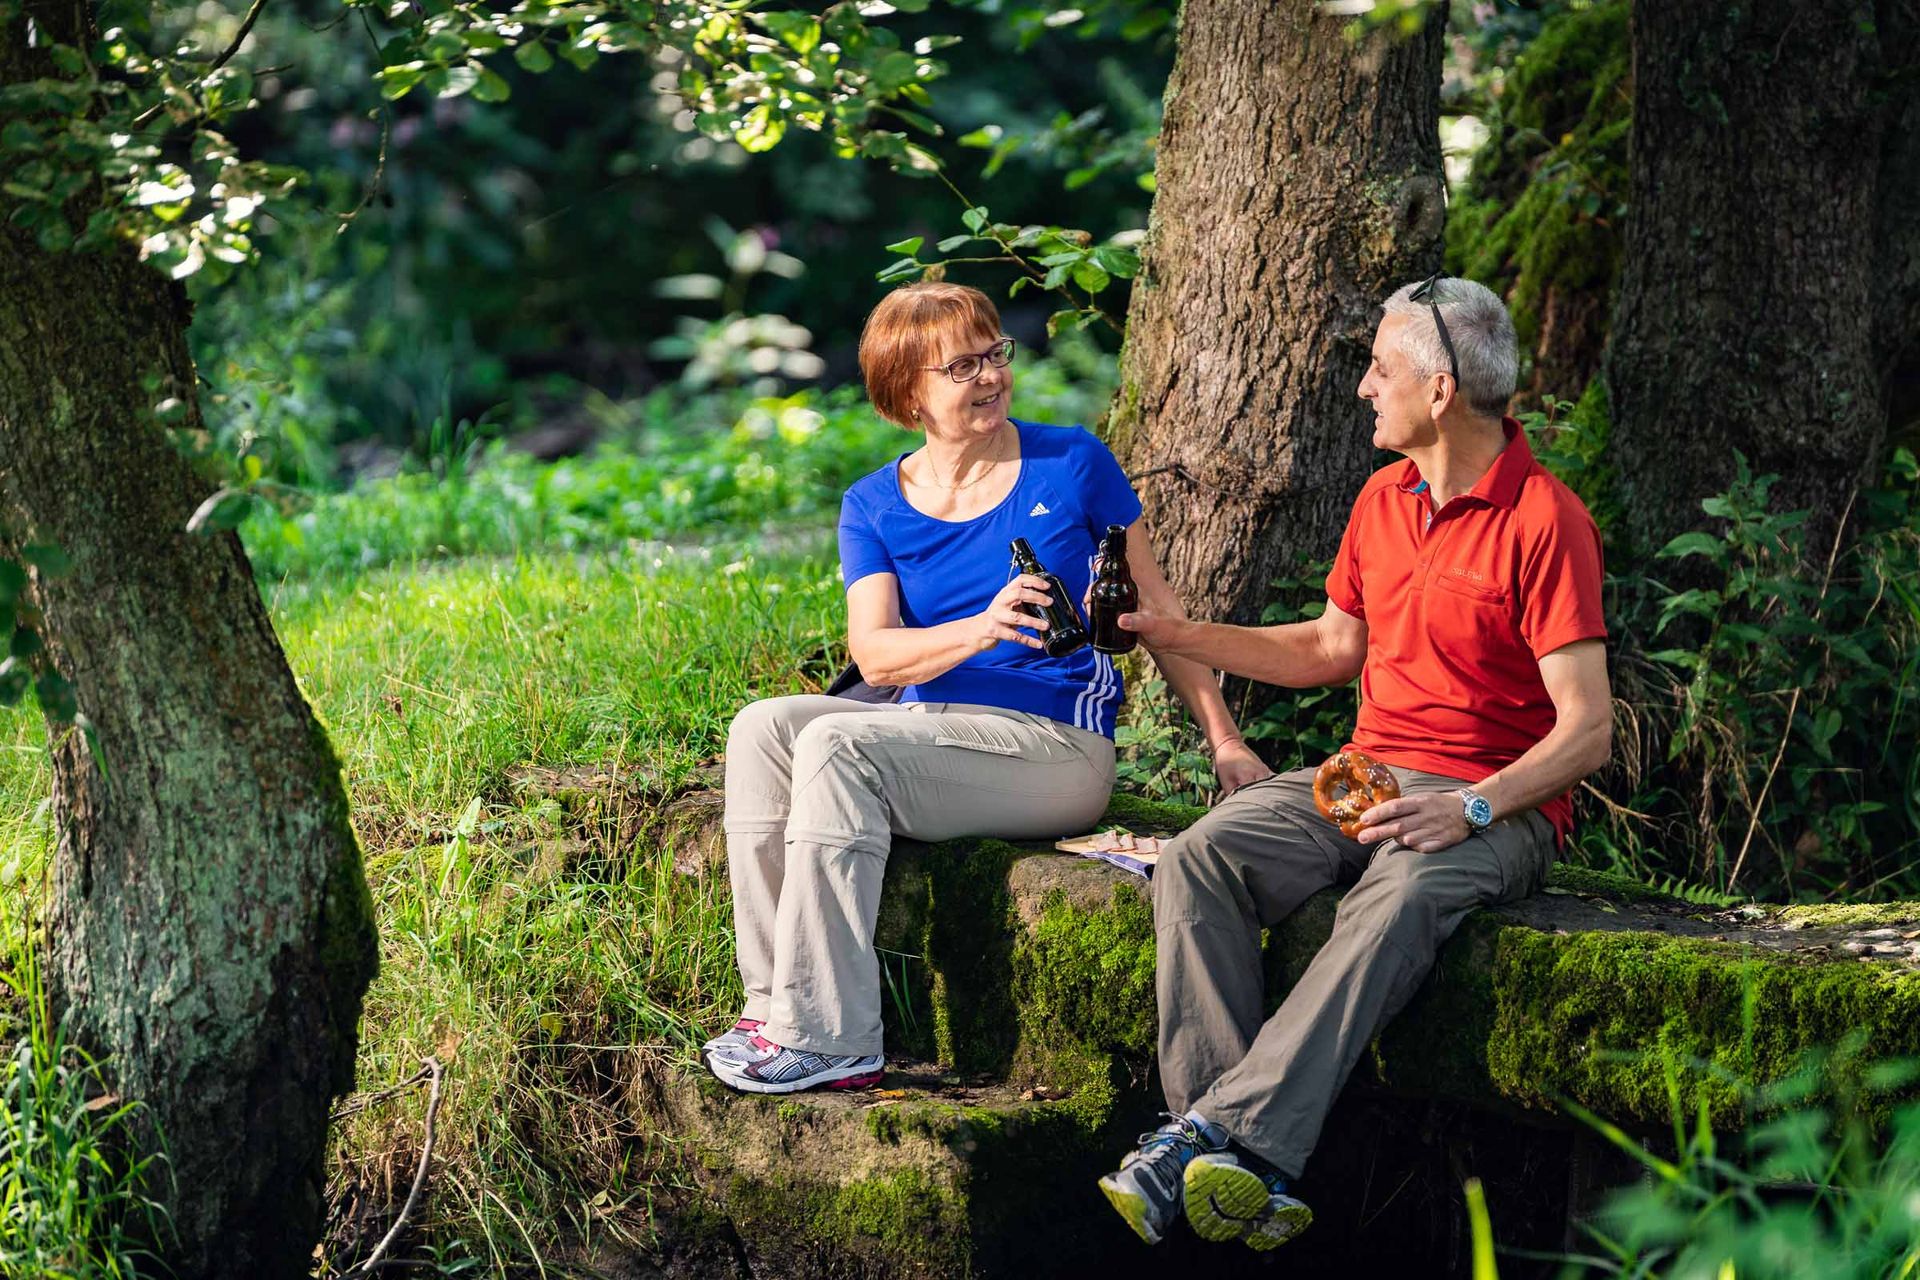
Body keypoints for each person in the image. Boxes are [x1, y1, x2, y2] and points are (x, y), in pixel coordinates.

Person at [1096, 275, 1612, 1250]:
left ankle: (1219, 1139)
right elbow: (1331, 650)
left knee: (1400, 889)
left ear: (1440, 392)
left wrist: (1470, 810)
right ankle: (1219, 1151)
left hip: (1493, 802)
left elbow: (1588, 730)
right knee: (1206, 852)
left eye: (1381, 370)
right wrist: (1182, 629)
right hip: (1368, 769)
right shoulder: (1384, 498)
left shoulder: (1547, 520)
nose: (1367, 388)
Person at [705, 281, 1270, 1094]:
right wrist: (981, 625)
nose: (990, 376)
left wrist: (1225, 742)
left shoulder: (1071, 461)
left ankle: (832, 1037)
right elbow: (875, 657)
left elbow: (1160, 613)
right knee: (764, 726)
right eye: (960, 366)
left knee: (836, 741)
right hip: (925, 733)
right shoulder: (871, 504)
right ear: (909, 397)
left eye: (995, 354)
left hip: (1054, 750)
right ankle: (775, 1007)